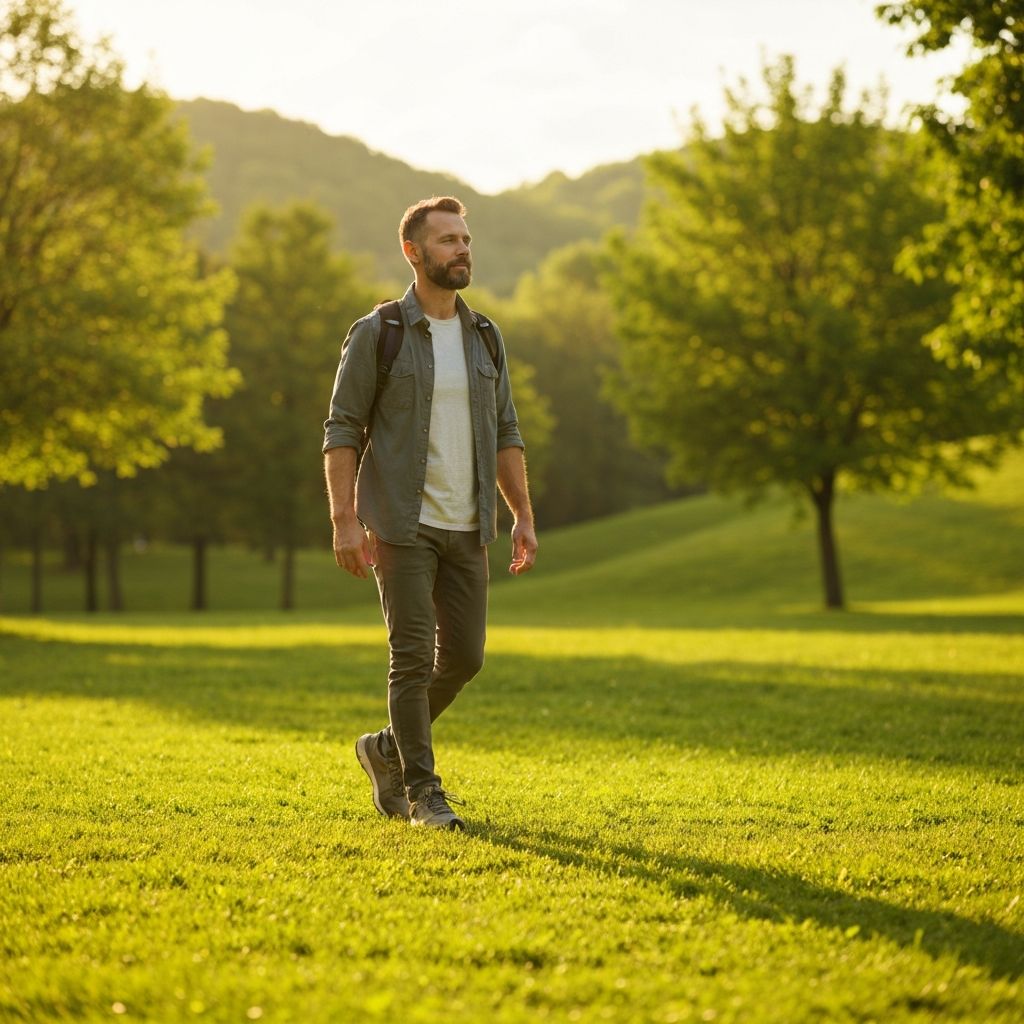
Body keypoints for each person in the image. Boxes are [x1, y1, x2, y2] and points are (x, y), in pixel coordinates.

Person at [323, 196, 537, 831]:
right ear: (413, 253)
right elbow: (341, 430)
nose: (462, 249)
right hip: (401, 524)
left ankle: (385, 749)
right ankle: (422, 791)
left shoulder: (484, 336)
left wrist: (522, 513)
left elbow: (506, 430)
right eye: (447, 240)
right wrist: (344, 520)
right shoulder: (379, 333)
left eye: (465, 239)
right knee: (412, 655)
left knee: (465, 657)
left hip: (468, 524)